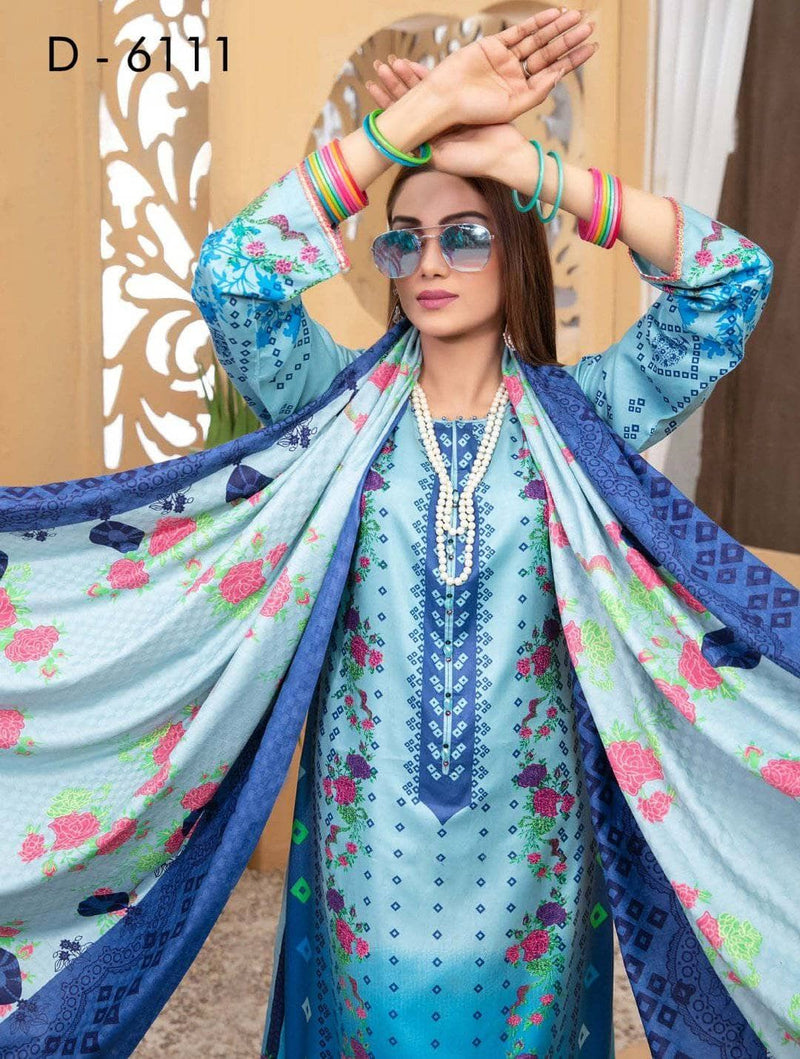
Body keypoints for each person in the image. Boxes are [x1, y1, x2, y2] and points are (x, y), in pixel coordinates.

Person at [189, 8, 780, 1058]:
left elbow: (730, 280)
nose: (430, 260)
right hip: (369, 835)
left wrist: (529, 167)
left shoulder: (582, 420)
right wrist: (409, 121)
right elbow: (231, 278)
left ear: (515, 251)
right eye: (405, 238)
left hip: (532, 840)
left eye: (465, 233)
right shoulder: (336, 409)